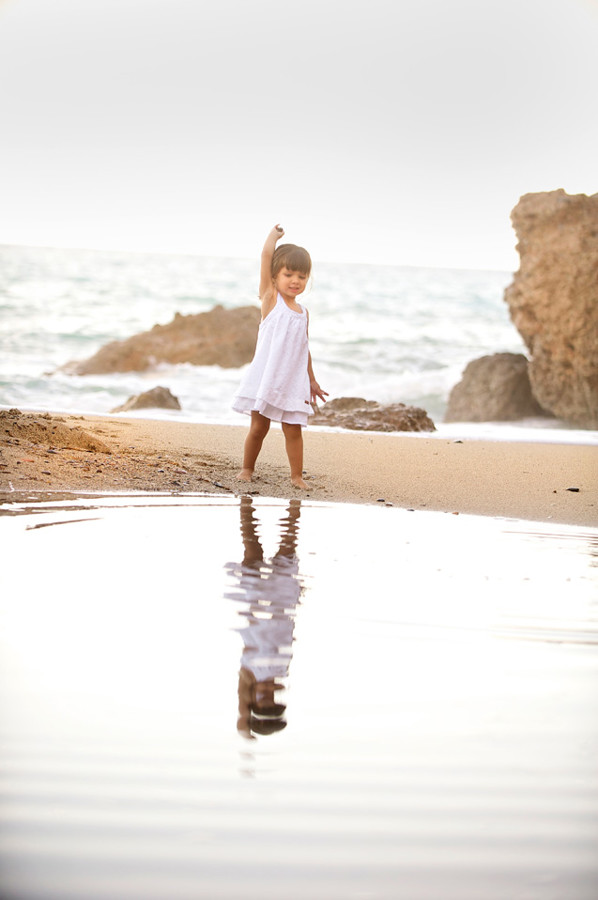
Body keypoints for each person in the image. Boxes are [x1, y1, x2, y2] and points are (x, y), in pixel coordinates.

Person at [233, 224, 328, 489]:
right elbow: (265, 258)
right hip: (267, 376)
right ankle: (246, 469)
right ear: (275, 276)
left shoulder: (303, 312)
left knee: (293, 430)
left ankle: (296, 476)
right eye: (288, 274)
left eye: (302, 276)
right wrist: (272, 238)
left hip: (293, 380)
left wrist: (312, 379)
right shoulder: (270, 299)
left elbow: (303, 347)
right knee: (258, 428)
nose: (296, 280)